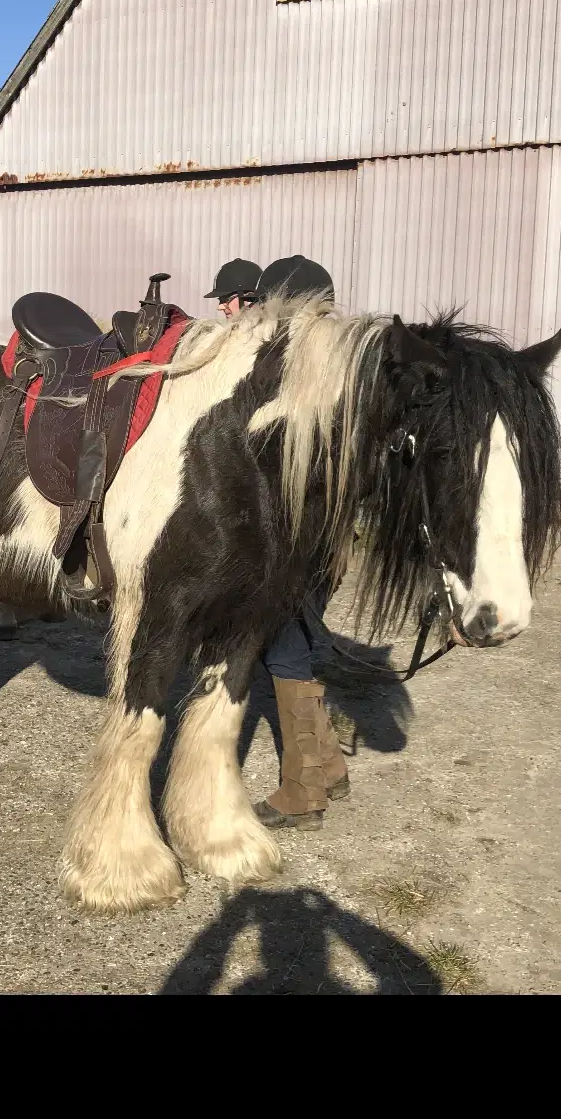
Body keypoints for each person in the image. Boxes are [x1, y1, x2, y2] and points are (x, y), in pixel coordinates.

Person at [247, 254, 352, 832]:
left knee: (285, 652)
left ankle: (303, 792)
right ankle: (329, 767)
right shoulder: (344, 369)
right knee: (298, 649)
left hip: (290, 537)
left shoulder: (295, 372)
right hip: (325, 540)